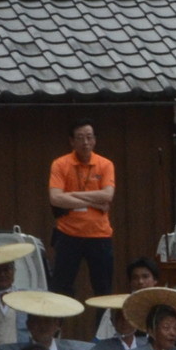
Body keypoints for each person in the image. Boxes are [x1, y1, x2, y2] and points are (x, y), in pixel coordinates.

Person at [45, 122, 115, 297]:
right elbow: (55, 198)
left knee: (103, 290)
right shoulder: (60, 164)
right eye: (80, 138)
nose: (85, 142)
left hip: (99, 234)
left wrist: (72, 195)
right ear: (72, 141)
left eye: (89, 137)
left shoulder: (105, 164)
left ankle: (103, 325)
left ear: (95, 140)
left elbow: (107, 196)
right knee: (60, 288)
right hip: (68, 234)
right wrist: (94, 201)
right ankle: (58, 325)